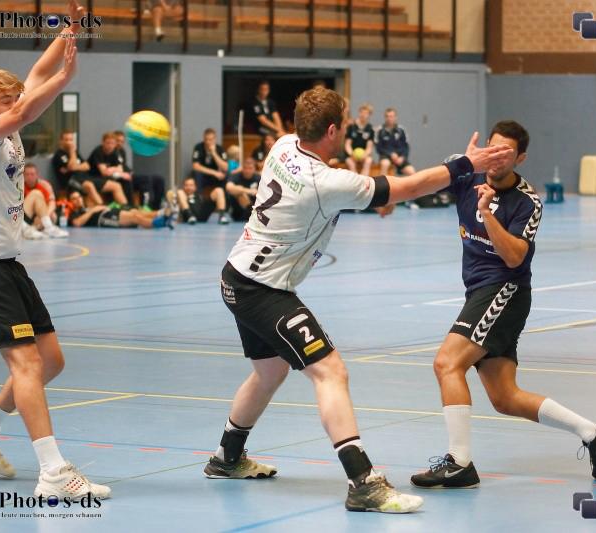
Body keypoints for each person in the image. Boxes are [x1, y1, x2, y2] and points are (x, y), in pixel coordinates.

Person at [207, 86, 512, 513]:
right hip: (263, 290)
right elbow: (405, 187)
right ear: (333, 130)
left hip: (236, 275)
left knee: (270, 371)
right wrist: (466, 165)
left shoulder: (282, 145)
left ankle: (227, 458)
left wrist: (369, 200)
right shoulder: (327, 182)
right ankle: (363, 483)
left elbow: (332, 193)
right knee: (330, 371)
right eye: (346, 124)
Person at [0, 1, 111, 501]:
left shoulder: (11, 129)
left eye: (14, 96)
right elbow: (28, 103)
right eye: (3, 99)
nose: (14, 103)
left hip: (7, 264)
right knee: (26, 365)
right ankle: (53, 472)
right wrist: (64, 80)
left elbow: (33, 79)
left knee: (50, 360)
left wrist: (69, 32)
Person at [409, 120, 596, 489]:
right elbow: (424, 185)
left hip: (504, 291)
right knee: (505, 397)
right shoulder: (468, 175)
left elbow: (513, 257)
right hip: (479, 291)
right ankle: (594, 434)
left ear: (520, 158)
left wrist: (488, 213)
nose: (496, 158)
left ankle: (459, 463)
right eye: (492, 149)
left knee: (447, 363)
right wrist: (455, 167)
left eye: (505, 153)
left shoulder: (527, 203)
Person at [52, 130, 128, 206]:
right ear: (61, 141)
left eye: (71, 140)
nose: (69, 142)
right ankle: (102, 208)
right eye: (66, 140)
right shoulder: (59, 155)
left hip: (85, 177)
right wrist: (72, 152)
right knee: (89, 185)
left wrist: (74, 167)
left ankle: (125, 208)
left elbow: (87, 166)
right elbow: (72, 167)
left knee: (116, 185)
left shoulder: (76, 153)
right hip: (71, 181)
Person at [114, 129, 166, 210]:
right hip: (118, 179)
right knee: (145, 179)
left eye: (122, 141)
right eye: (118, 141)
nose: (119, 143)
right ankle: (145, 206)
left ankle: (157, 208)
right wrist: (122, 173)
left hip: (127, 175)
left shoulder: (121, 151)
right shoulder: (109, 152)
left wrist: (130, 172)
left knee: (159, 179)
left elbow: (124, 166)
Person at [67, 190, 174, 229]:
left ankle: (164, 212)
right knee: (135, 217)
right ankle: (161, 222)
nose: (78, 199)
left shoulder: (86, 207)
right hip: (103, 219)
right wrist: (94, 210)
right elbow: (77, 223)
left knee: (135, 212)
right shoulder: (74, 212)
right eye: (74, 198)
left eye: (79, 197)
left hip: (108, 212)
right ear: (70, 201)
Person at [191, 128, 230, 224]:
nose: (208, 142)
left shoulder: (219, 149)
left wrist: (214, 153)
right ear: (203, 139)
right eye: (206, 139)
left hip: (216, 178)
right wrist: (214, 172)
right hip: (204, 175)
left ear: (214, 139)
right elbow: (195, 166)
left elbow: (225, 167)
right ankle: (199, 200)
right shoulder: (198, 147)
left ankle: (224, 207)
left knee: (225, 176)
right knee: (196, 173)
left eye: (211, 139)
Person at [21, 163, 69, 239]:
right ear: (23, 175)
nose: (30, 177)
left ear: (37, 175)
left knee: (53, 216)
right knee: (36, 193)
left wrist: (44, 217)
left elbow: (52, 203)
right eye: (27, 174)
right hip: (20, 217)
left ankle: (37, 228)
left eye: (32, 174)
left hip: (36, 216)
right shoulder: (19, 185)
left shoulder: (44, 185)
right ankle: (45, 227)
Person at [88, 131, 134, 205]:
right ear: (103, 143)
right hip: (94, 177)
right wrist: (117, 171)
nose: (110, 146)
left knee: (126, 180)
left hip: (109, 176)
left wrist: (112, 169)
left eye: (112, 143)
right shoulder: (98, 151)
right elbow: (104, 172)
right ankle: (115, 205)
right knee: (114, 183)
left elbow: (120, 168)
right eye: (108, 143)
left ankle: (130, 206)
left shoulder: (116, 151)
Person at [377, 108, 415, 178]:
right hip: (386, 157)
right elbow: (379, 148)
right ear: (385, 117)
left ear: (395, 117)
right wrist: (390, 154)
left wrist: (403, 157)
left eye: (391, 116)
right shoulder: (380, 130)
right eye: (387, 116)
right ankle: (382, 184)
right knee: (385, 164)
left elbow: (406, 146)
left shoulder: (401, 130)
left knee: (411, 171)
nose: (389, 118)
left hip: (399, 157)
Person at [225, 157, 260, 221]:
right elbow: (228, 187)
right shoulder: (236, 176)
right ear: (242, 168)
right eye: (245, 168)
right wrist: (248, 191)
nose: (247, 171)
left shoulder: (258, 178)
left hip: (255, 209)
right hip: (238, 212)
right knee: (241, 193)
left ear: (254, 169)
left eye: (250, 168)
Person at [345, 103, 375, 176]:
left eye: (366, 113)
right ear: (359, 113)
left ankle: (364, 181)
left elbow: (369, 147)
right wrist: (351, 154)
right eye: (361, 112)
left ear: (369, 115)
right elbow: (347, 144)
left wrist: (365, 155)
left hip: (364, 155)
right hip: (352, 155)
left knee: (369, 160)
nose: (363, 115)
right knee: (350, 162)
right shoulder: (352, 126)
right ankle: (356, 181)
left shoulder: (370, 129)